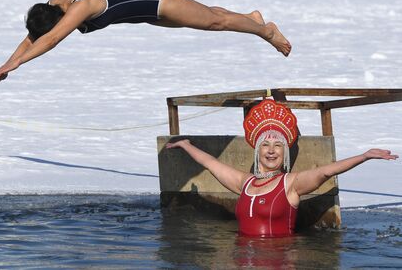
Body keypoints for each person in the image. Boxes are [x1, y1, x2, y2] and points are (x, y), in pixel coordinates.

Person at [0, 0, 292, 88]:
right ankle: (251, 19)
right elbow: (36, 35)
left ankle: (265, 31)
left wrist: (18, 64)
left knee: (214, 22)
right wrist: (6, 65)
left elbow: (50, 39)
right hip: (147, 11)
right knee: (211, 16)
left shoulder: (81, 7)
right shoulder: (52, 5)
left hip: (158, 0)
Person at [165, 99, 398, 237]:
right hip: (243, 258)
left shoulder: (291, 185)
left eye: (278, 145)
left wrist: (364, 156)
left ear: (284, 152)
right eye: (265, 145)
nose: (271, 150)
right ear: (257, 151)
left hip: (280, 261)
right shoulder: (244, 183)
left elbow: (325, 171)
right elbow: (211, 163)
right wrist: (186, 146)